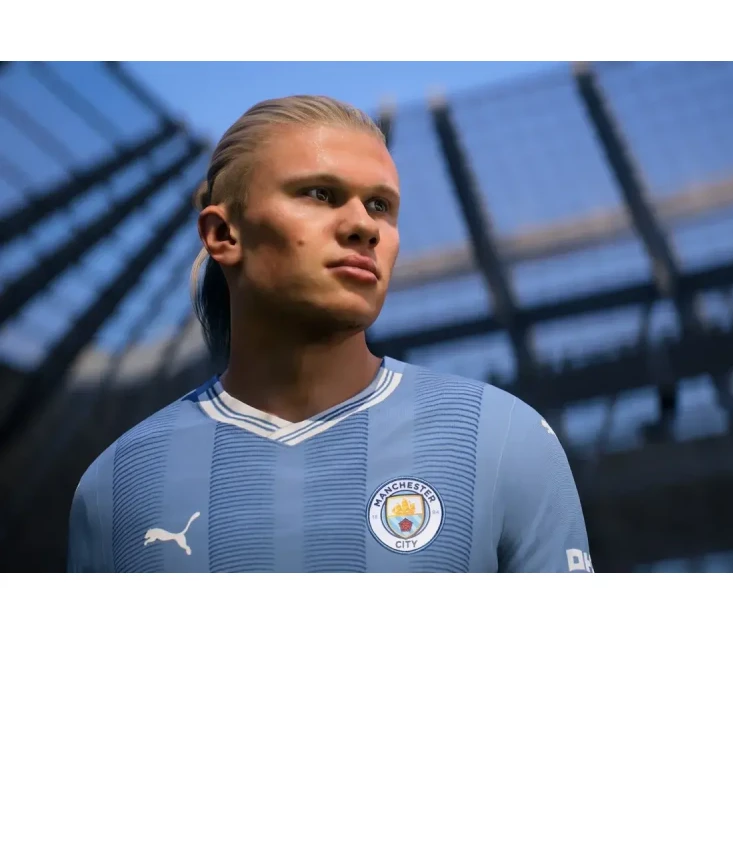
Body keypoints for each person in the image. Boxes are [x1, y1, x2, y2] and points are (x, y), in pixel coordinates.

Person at [67, 96, 594, 573]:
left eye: (380, 205)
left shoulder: (500, 438)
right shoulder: (116, 483)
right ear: (224, 234)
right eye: (321, 194)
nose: (364, 226)